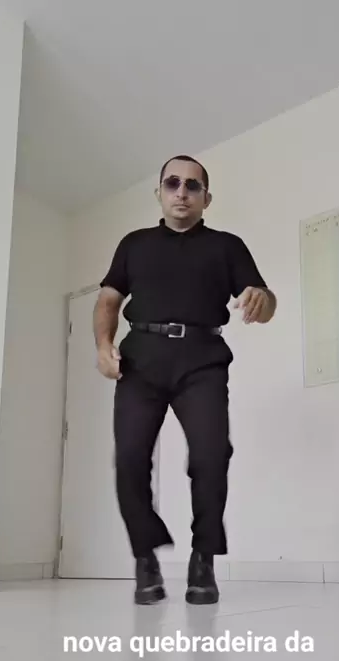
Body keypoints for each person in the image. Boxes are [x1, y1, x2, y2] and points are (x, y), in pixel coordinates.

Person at [93, 155, 276, 606]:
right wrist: (102, 346)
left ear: (206, 198)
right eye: (172, 183)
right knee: (131, 458)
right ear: (159, 191)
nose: (182, 191)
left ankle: (203, 559)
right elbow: (108, 300)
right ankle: (145, 559)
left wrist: (262, 298)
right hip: (141, 360)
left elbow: (265, 302)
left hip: (202, 360)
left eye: (193, 186)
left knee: (212, 456)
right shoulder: (134, 244)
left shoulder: (227, 246)